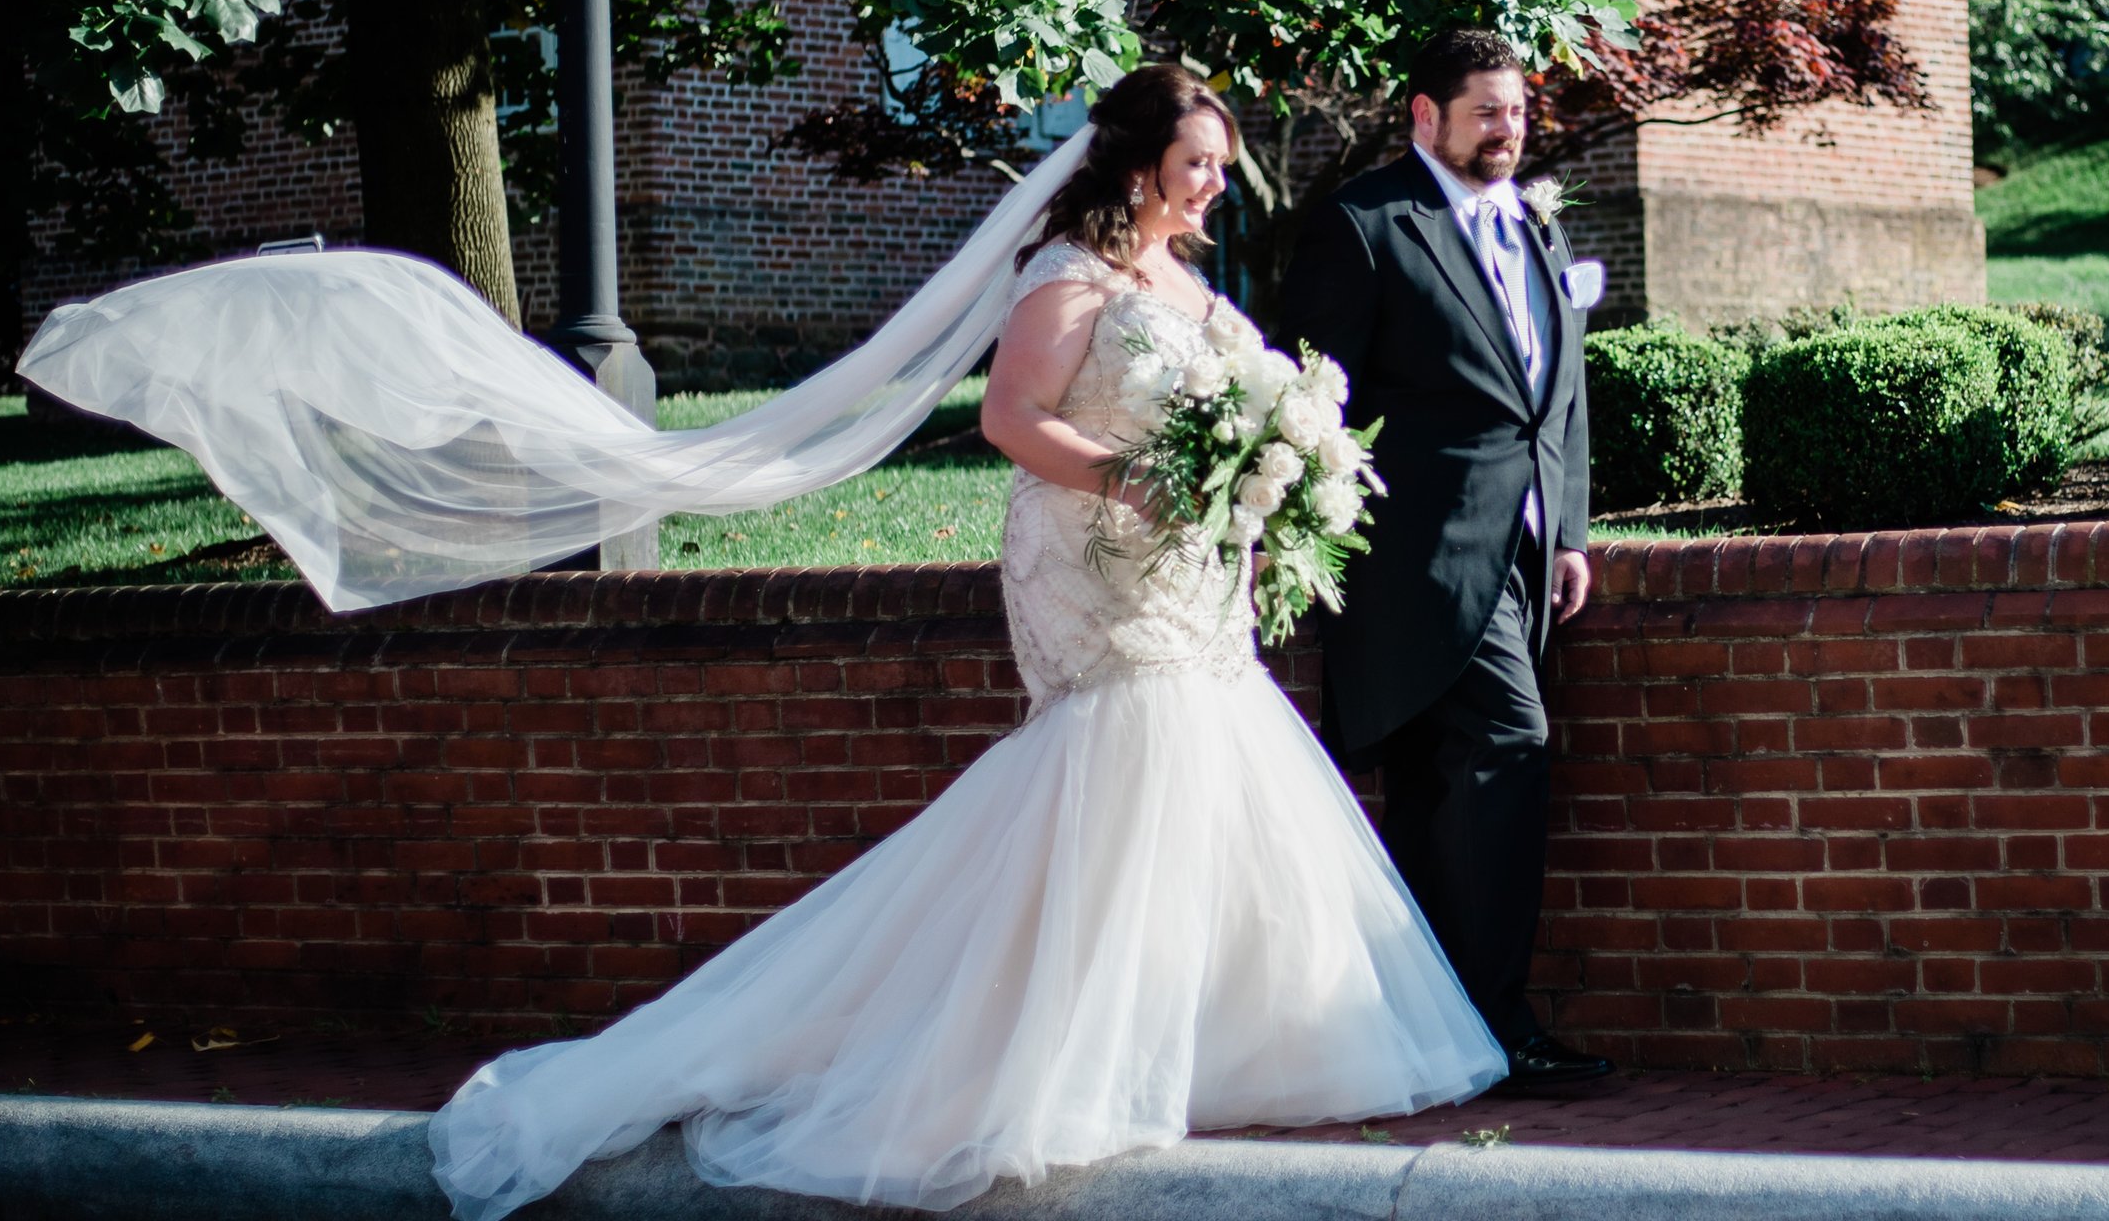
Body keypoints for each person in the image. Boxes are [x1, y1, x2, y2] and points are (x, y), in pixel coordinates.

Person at [424, 64, 1504, 1220]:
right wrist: (1139, 482)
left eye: (1218, 169)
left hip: (1194, 574)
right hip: (1096, 559)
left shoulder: (1185, 283)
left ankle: (1198, 1044)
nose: (1213, 188)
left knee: (1205, 770)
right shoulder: (1068, 275)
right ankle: (1053, 1048)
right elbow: (1009, 417)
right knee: (1123, 762)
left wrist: (1277, 482)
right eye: (1196, 165)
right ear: (1139, 167)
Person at [1275, 27, 1613, 1093]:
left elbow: (1559, 390)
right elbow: (1309, 397)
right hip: (1414, 563)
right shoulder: (1364, 225)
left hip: (1518, 554)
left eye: (1516, 110)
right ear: (1425, 115)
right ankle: (1498, 1027)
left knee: (1435, 792)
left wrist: (1565, 530)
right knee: (1508, 744)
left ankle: (1440, 1034)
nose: (1508, 129)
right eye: (1486, 111)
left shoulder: (1533, 223)